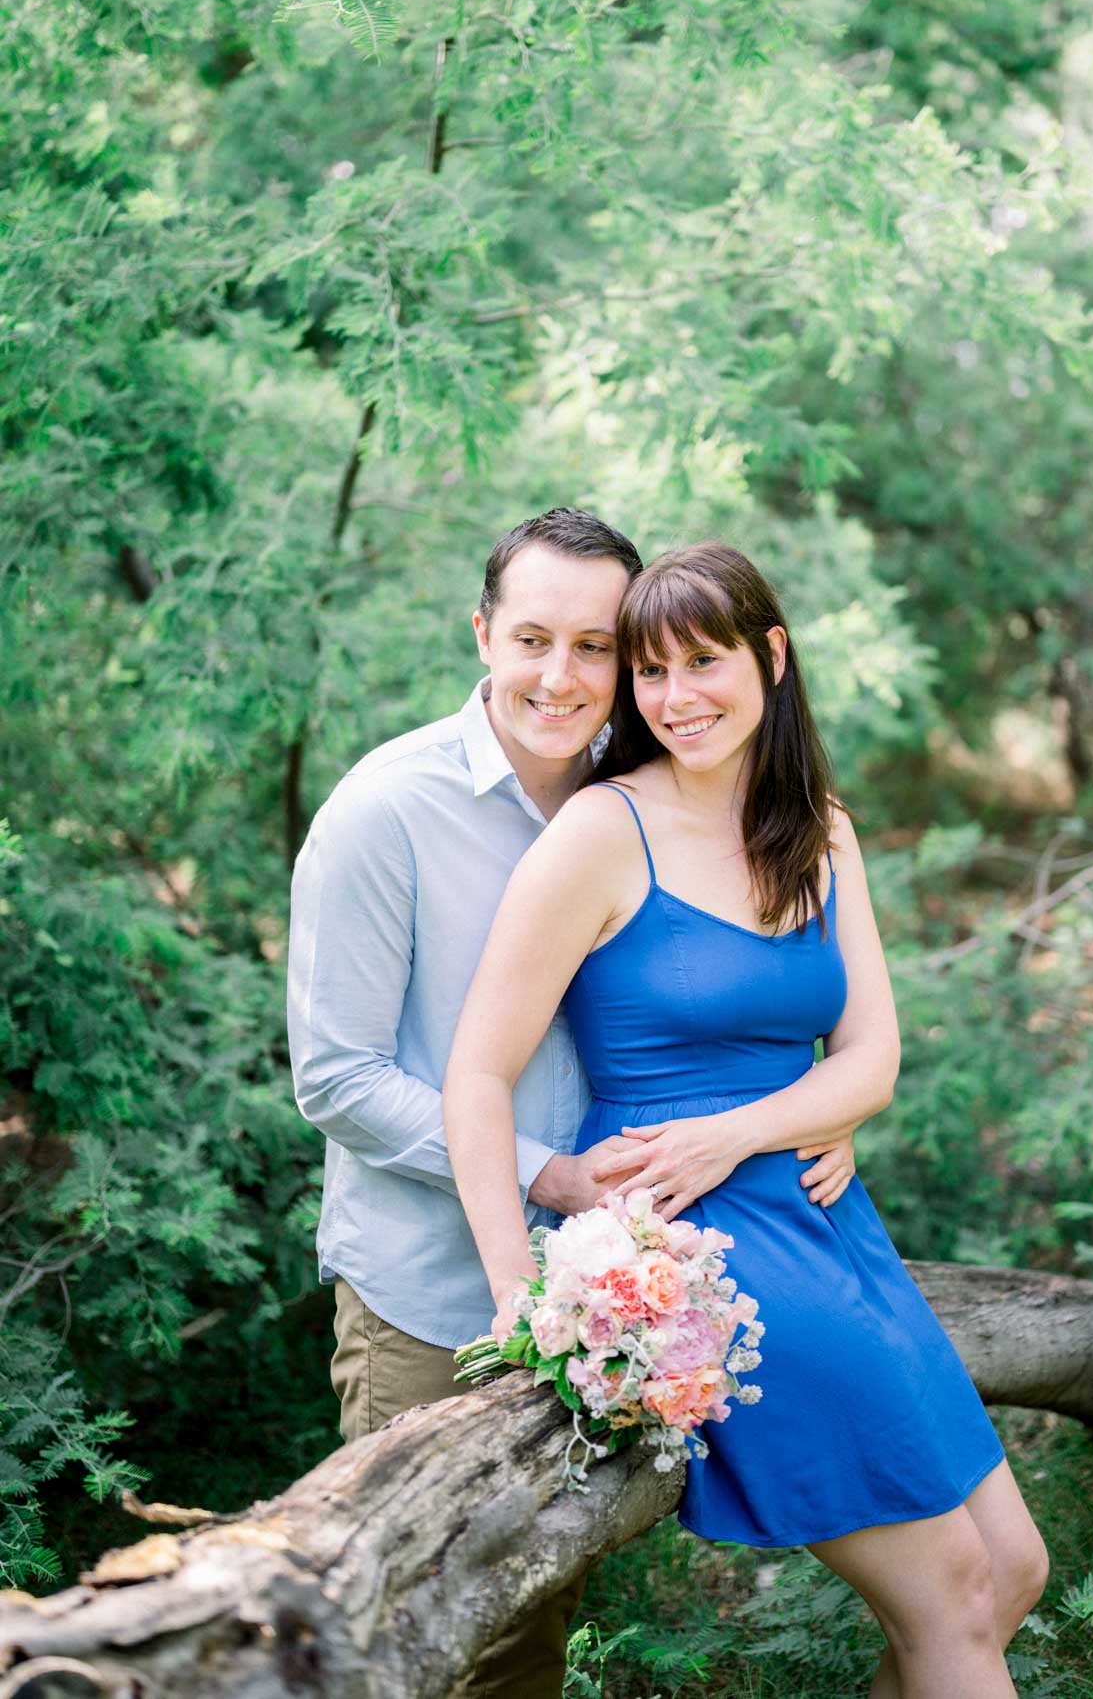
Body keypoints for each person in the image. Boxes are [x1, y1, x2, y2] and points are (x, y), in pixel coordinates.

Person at [444, 542, 1049, 1699]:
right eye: (651, 672)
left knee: (1011, 1570)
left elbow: (870, 1057)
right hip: (698, 1248)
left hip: (821, 1211)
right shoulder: (601, 832)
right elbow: (476, 1072)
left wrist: (747, 1128)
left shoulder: (816, 827)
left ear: (770, 654)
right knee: (956, 1599)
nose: (675, 699)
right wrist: (522, 1299)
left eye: (703, 662)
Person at [288, 512, 857, 1699]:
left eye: (594, 647)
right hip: (430, 1294)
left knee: (525, 1638)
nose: (561, 676)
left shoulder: (650, 792)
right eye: (533, 637)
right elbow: (334, 1076)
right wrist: (544, 1170)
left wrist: (819, 1103)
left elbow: (718, 997)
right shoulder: (385, 813)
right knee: (406, 1633)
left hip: (621, 1297)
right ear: (483, 633)